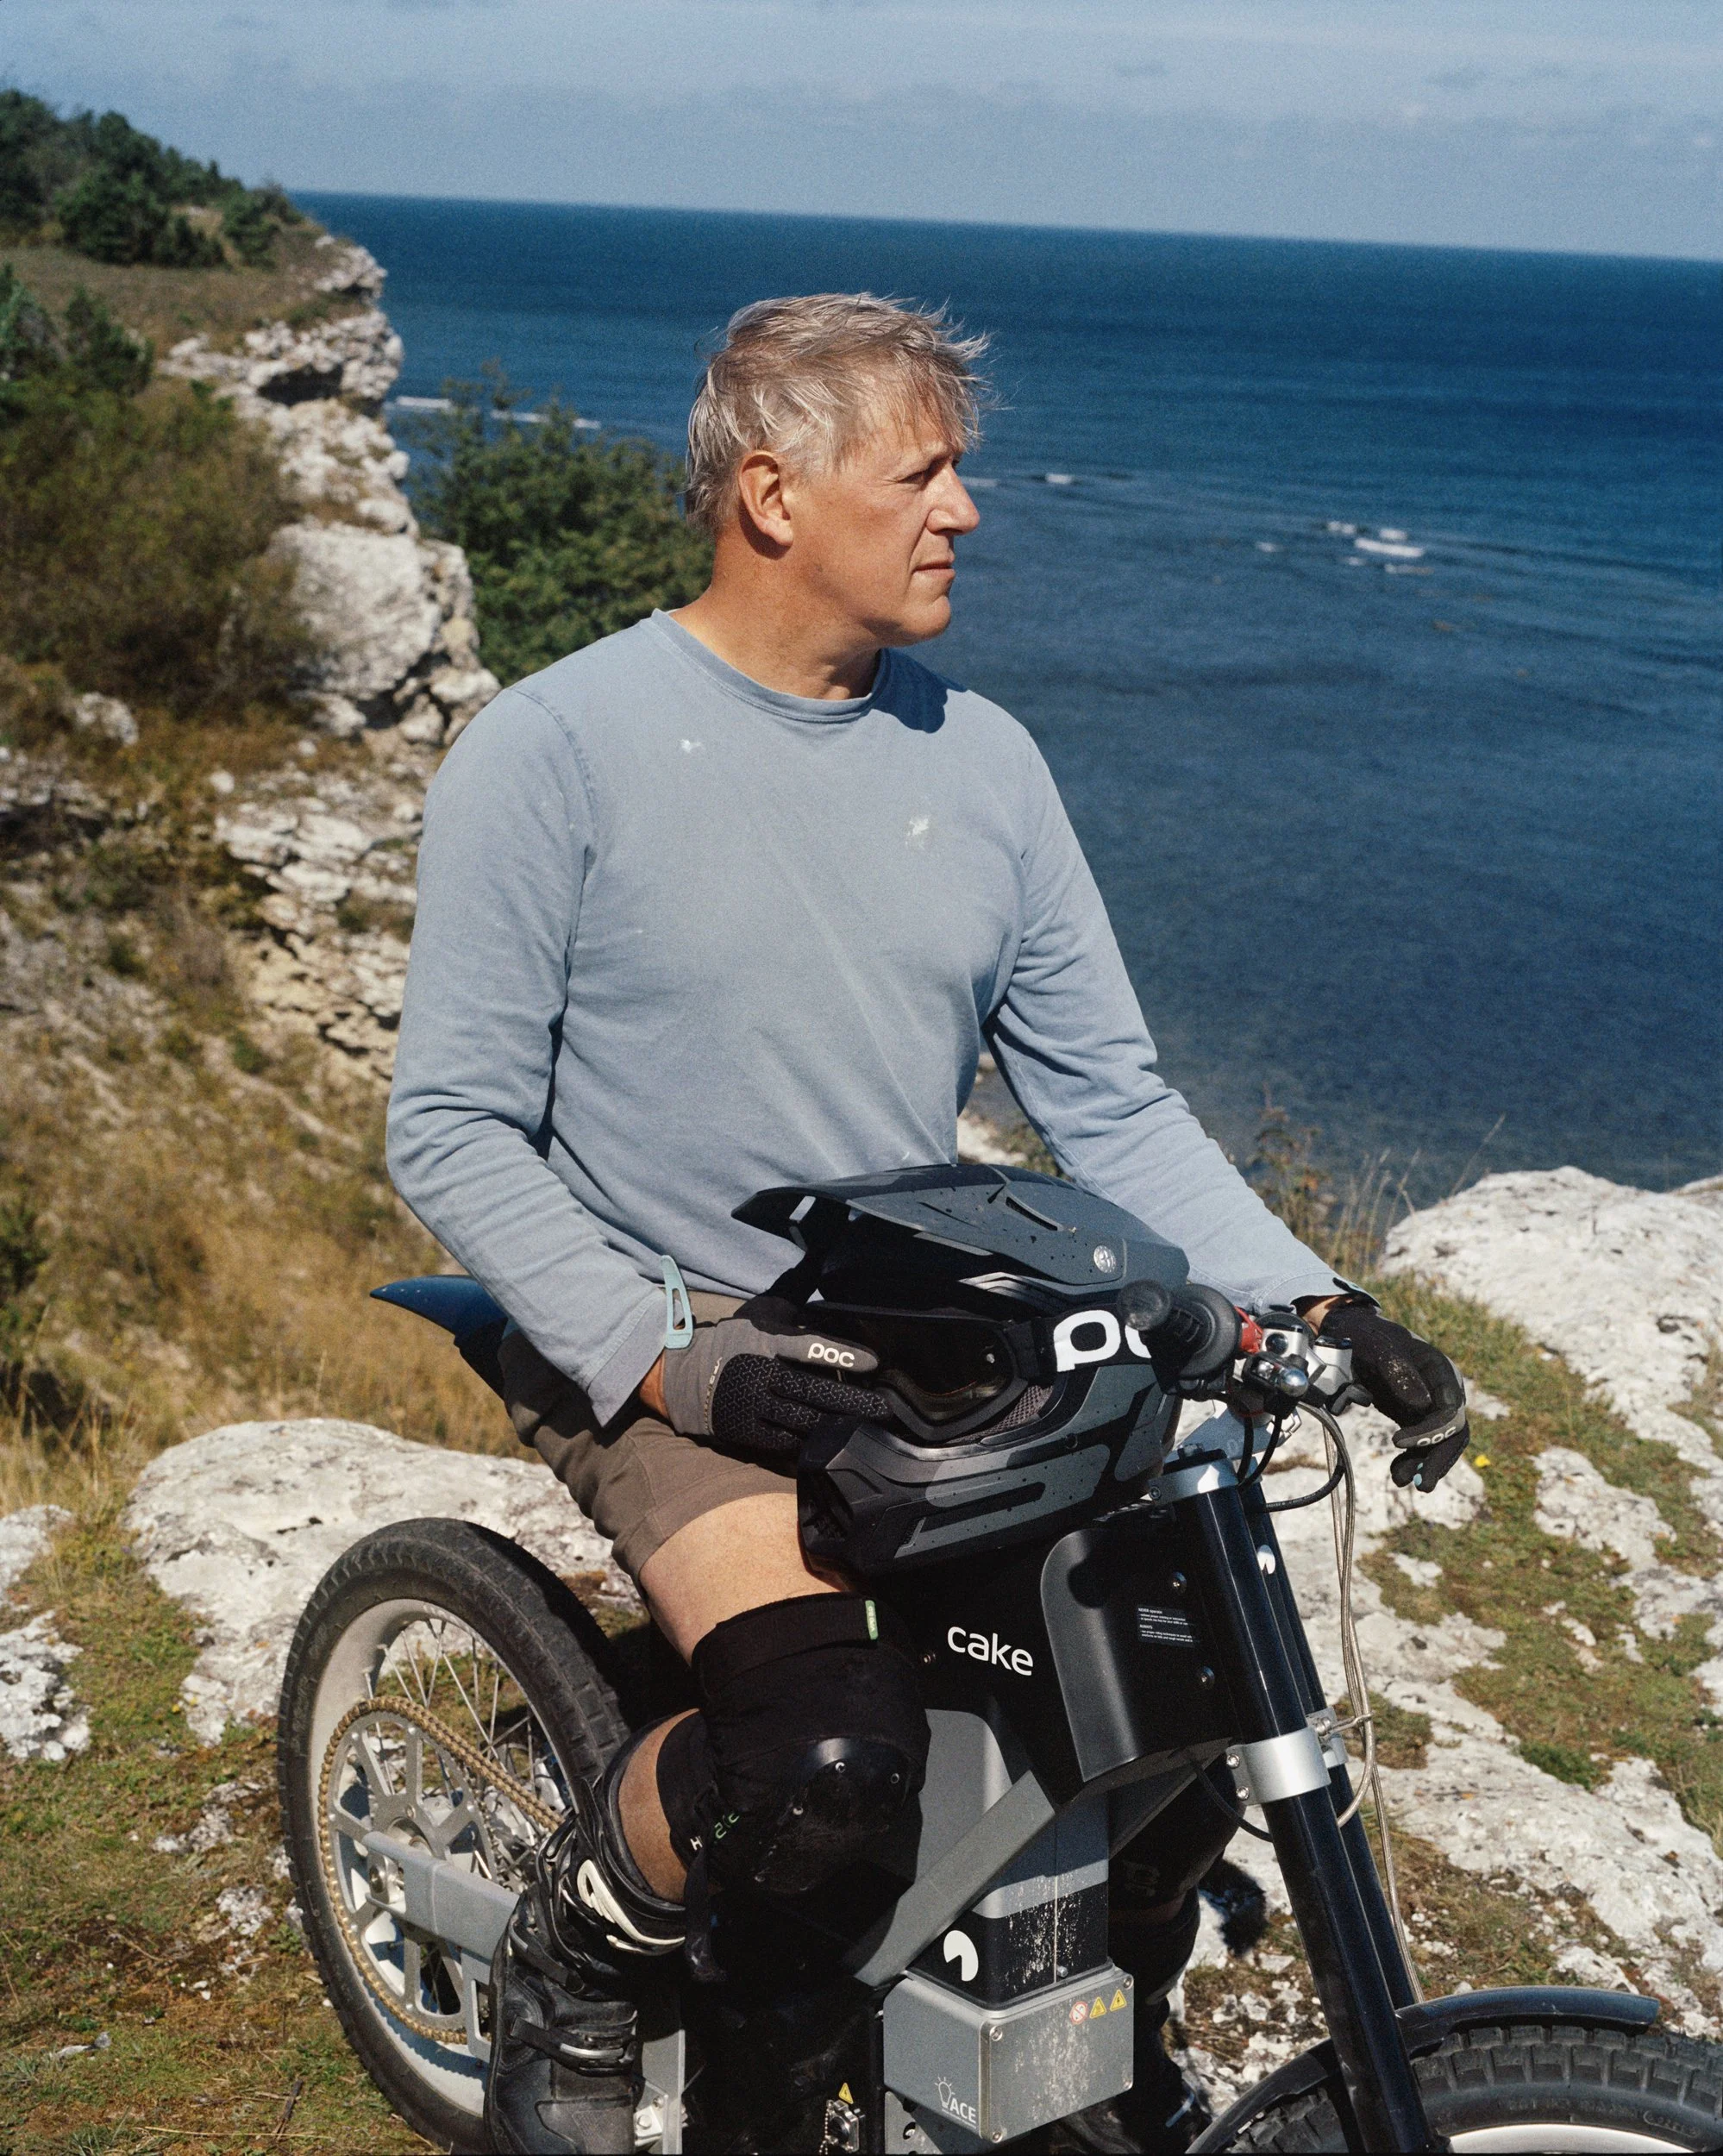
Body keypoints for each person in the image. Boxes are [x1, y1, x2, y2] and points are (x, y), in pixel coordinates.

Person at [386, 294, 1469, 2156]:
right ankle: (588, 1954)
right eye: (924, 473)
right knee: (823, 1763)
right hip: (665, 1329)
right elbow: (452, 1126)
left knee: (1178, 1696)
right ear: (772, 493)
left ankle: (1087, 2053)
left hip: (911, 1326)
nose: (966, 509)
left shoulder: (984, 761)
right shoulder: (552, 747)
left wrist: (1318, 1303)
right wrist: (677, 1360)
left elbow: (1108, 1099)